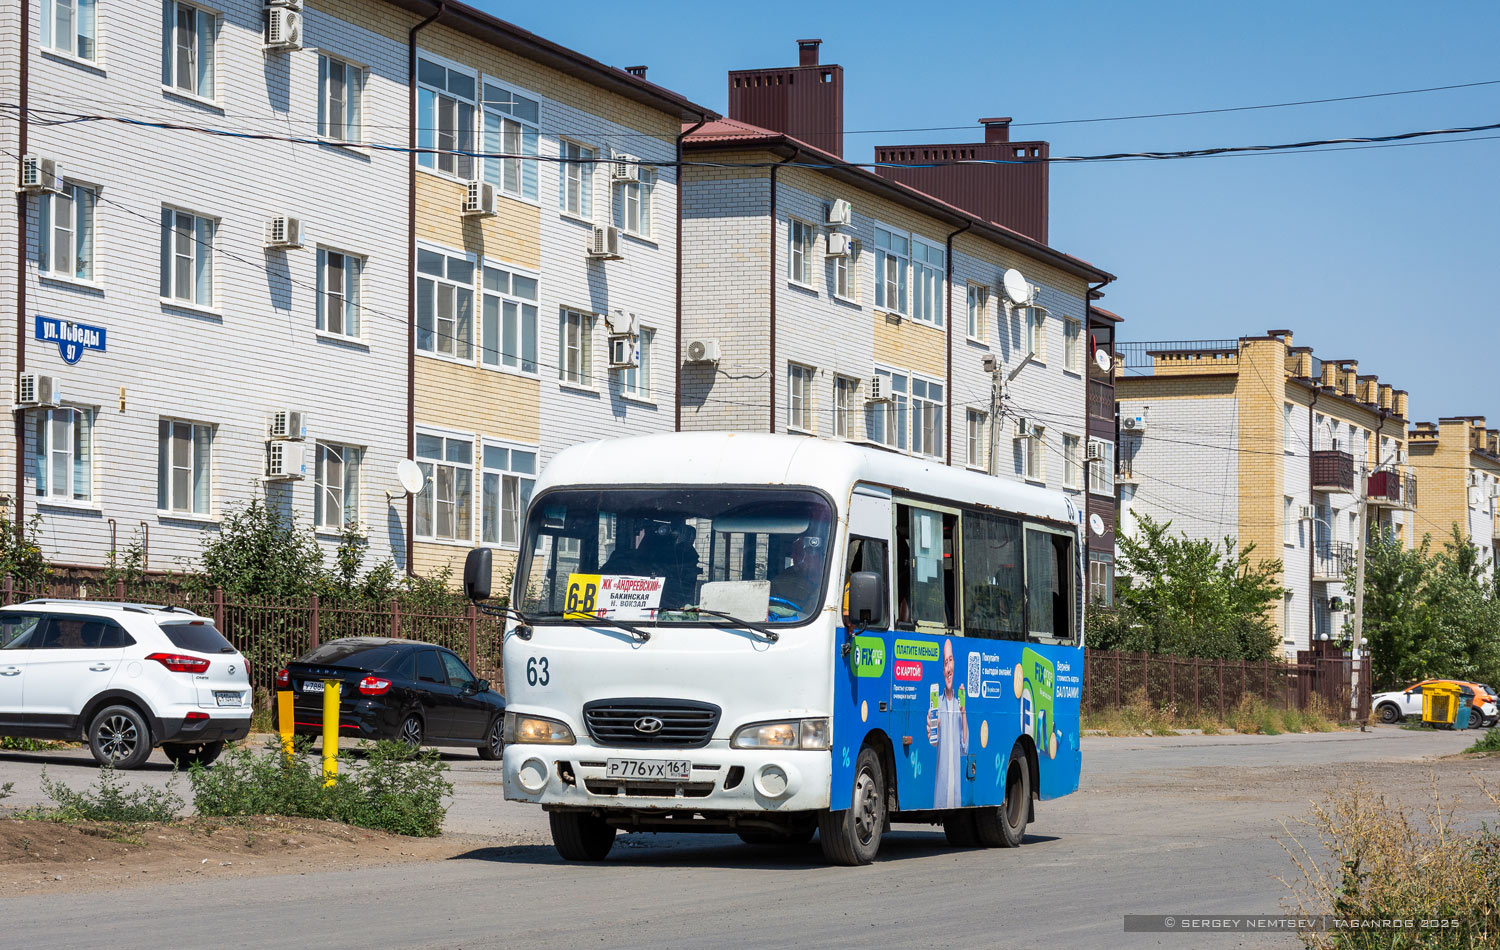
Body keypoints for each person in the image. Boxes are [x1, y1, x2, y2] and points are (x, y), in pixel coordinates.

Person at [929, 637, 968, 809]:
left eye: (950, 660)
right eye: (945, 663)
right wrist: (932, 728)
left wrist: (964, 713)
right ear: (942, 670)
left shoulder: (960, 705)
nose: (949, 668)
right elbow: (933, 741)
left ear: (955, 664)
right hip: (941, 793)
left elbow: (964, 747)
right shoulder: (936, 704)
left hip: (956, 793)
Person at [769, 535, 825, 614]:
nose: (792, 556)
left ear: (815, 555)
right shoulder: (784, 577)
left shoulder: (835, 578)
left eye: (798, 552)